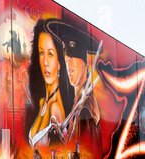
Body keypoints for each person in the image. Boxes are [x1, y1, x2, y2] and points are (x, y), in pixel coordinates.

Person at [45, 17, 102, 150]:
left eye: (73, 58)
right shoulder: (79, 102)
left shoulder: (86, 108)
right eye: (67, 59)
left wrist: (58, 143)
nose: (68, 65)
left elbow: (84, 156)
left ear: (85, 63)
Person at [24, 19, 73, 148]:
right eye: (41, 53)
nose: (45, 61)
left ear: (60, 62)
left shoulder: (55, 107)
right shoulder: (42, 102)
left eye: (50, 54)